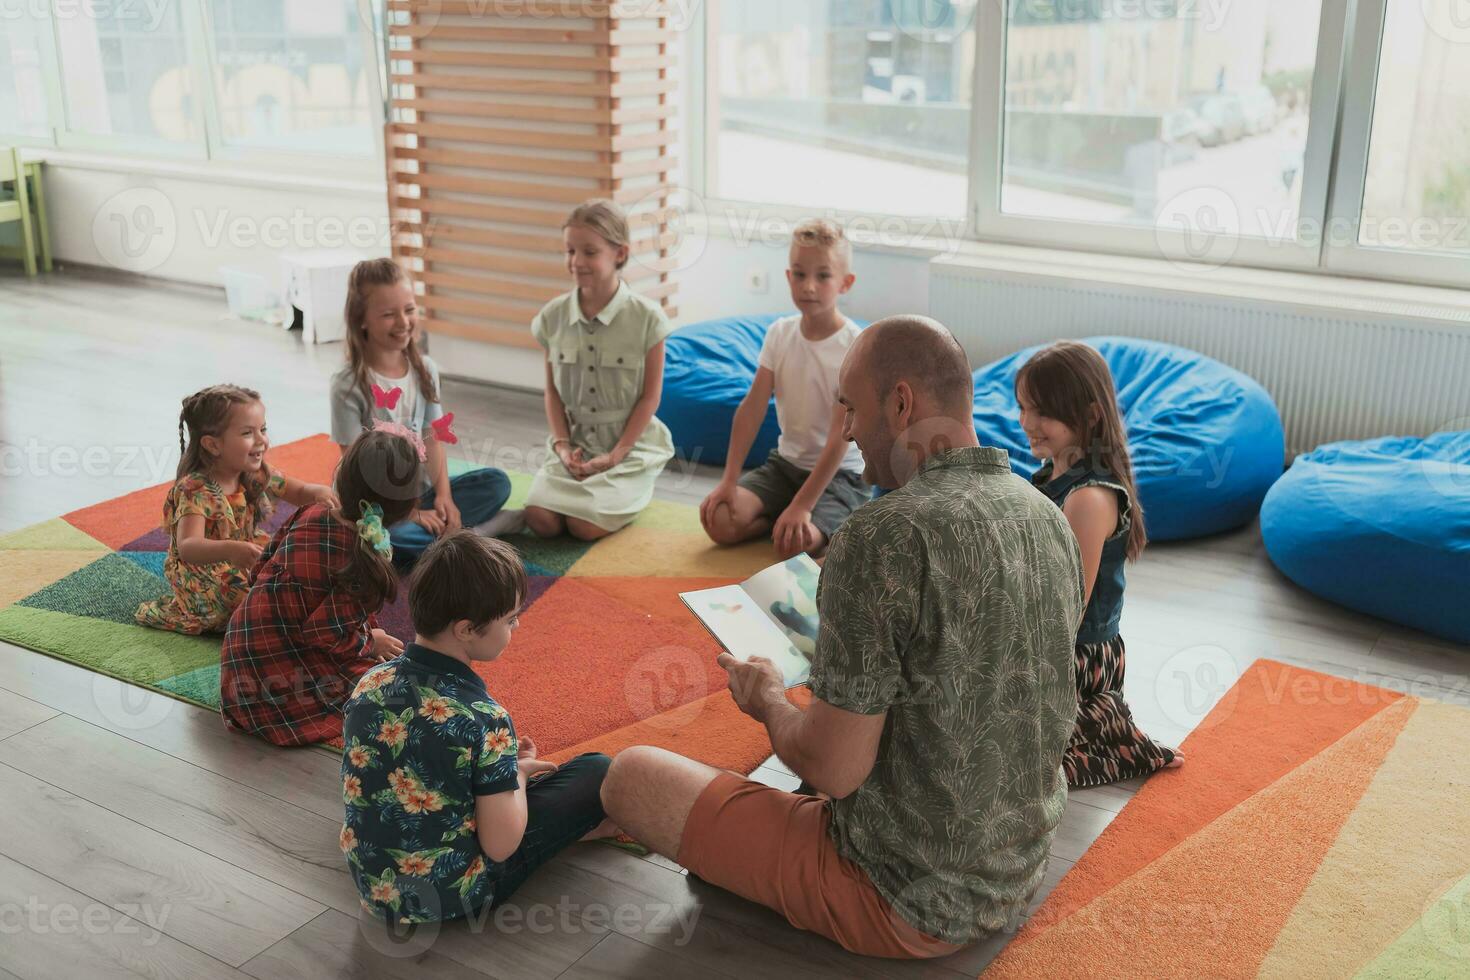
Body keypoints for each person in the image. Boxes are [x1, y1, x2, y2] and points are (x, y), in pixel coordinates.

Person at [599, 316, 1086, 958]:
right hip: (1019, 870)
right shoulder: (1047, 517)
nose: (848, 431)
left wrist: (768, 698)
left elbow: (833, 770)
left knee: (628, 778)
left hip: (902, 899)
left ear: (902, 402)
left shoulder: (880, 533)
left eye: (851, 409)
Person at [341, 531, 615, 924]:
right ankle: (577, 826)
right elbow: (501, 846)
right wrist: (516, 775)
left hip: (374, 889)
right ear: (466, 629)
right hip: (455, 899)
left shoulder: (370, 683)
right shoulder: (484, 716)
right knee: (596, 770)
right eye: (510, 619)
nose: (516, 627)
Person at [1016, 341, 1182, 787]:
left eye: (1041, 413)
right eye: (1023, 408)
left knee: (1006, 760)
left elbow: (1066, 610)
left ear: (1089, 417)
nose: (1026, 424)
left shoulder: (1089, 498)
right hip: (1051, 638)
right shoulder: (1051, 475)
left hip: (1075, 657)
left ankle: (1105, 735)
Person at [220, 429, 422, 746]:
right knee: (406, 692)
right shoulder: (365, 556)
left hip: (238, 666)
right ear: (407, 507)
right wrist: (370, 640)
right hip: (275, 695)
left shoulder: (311, 511)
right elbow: (325, 634)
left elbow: (259, 569)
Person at [699, 219, 870, 558]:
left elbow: (840, 435)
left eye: (823, 276)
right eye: (800, 274)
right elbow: (752, 408)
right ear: (788, 277)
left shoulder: (852, 345)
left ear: (845, 283)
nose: (809, 286)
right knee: (718, 521)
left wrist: (802, 506)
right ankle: (779, 519)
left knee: (796, 547)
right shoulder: (779, 333)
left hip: (840, 477)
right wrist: (729, 481)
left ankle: (806, 523)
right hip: (784, 467)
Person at [330, 258, 516, 561]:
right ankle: (474, 535)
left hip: (421, 492)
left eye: (409, 309)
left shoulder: (424, 369)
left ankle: (449, 538)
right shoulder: (347, 384)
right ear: (361, 318)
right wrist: (413, 515)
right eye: (389, 314)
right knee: (377, 540)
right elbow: (355, 471)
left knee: (497, 483)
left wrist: (444, 497)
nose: (403, 322)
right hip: (375, 507)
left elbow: (433, 436)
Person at [523, 199, 676, 540]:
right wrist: (562, 447)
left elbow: (650, 399)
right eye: (570, 251)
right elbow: (552, 394)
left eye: (589, 252)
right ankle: (581, 489)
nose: (576, 262)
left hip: (628, 447)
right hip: (574, 445)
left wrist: (615, 455)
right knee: (539, 519)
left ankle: (636, 486)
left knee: (583, 526)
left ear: (619, 254)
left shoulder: (648, 319)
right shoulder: (552, 317)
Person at [136, 384, 336, 635]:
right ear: (213, 445)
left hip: (245, 554)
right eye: (247, 433)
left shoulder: (255, 471)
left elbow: (299, 491)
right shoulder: (195, 489)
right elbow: (188, 546)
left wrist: (317, 493)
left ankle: (303, 616)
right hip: (204, 575)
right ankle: (308, 627)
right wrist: (230, 550)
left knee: (297, 572)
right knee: (261, 602)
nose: (262, 440)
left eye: (262, 429)